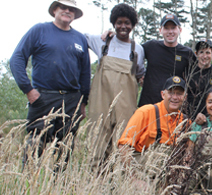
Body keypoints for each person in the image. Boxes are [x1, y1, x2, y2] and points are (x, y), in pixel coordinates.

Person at [10, 0, 90, 169]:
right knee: (35, 145)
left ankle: (58, 186)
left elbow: (85, 73)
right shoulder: (39, 30)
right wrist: (29, 90)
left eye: (71, 9)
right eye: (63, 7)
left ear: (75, 14)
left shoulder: (80, 39)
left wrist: (83, 103)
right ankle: (28, 185)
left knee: (65, 147)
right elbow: (17, 59)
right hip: (43, 97)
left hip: (71, 100)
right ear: (55, 10)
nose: (67, 11)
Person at [85, 3, 145, 169]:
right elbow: (78, 37)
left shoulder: (137, 49)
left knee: (122, 140)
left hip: (125, 105)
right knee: (97, 139)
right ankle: (94, 180)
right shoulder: (102, 42)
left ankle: (118, 182)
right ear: (113, 23)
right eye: (119, 22)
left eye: (127, 23)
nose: (123, 26)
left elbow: (140, 74)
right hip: (100, 102)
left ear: (133, 25)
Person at [117, 76, 189, 159]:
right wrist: (132, 171)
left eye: (179, 94)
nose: (175, 97)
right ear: (163, 94)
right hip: (140, 167)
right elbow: (123, 146)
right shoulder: (145, 112)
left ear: (185, 97)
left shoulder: (185, 122)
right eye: (171, 93)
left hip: (169, 169)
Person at [138, 13, 196, 107]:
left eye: (173, 28)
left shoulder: (187, 53)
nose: (170, 31)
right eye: (166, 28)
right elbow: (130, 50)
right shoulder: (151, 46)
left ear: (179, 30)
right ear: (160, 30)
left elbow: (197, 78)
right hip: (148, 105)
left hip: (172, 106)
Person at [186, 39, 212, 119]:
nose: (204, 56)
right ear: (196, 54)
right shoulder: (189, 73)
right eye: (201, 52)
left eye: (207, 52)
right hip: (192, 117)